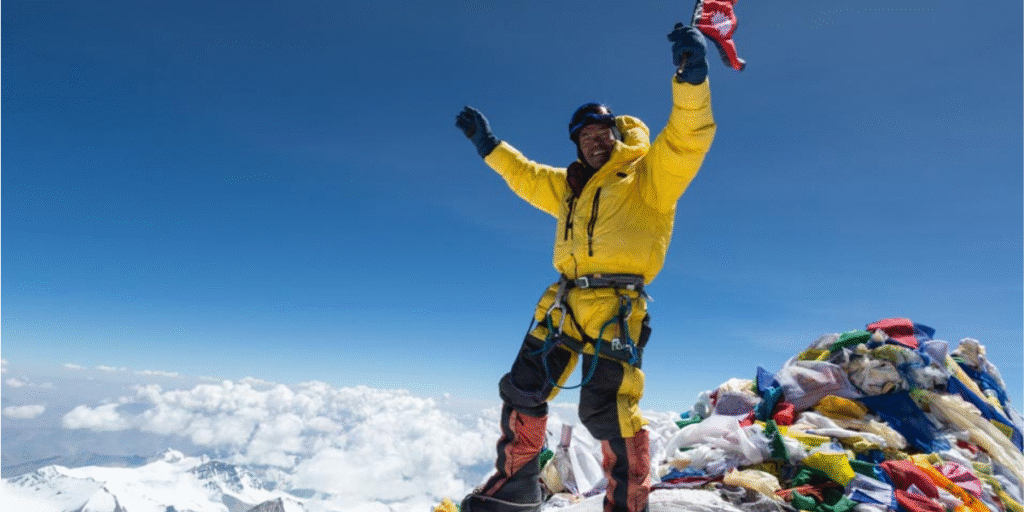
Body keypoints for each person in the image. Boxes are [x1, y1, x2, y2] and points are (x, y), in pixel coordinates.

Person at [453, 24, 716, 512]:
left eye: (601, 133)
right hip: (565, 302)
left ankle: (625, 506)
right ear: (577, 145)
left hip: (617, 307)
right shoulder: (570, 188)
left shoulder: (646, 178)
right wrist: (489, 146)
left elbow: (687, 139)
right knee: (522, 389)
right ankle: (515, 492)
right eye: (584, 137)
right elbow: (525, 175)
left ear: (616, 136)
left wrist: (691, 78)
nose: (593, 142)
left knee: (606, 411)